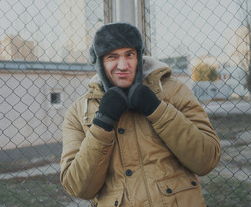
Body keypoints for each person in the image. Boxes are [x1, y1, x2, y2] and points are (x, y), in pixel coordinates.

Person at [60, 22, 221, 207]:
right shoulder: (79, 111)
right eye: (112, 57)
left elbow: (207, 160)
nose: (123, 65)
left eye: (129, 54)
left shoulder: (173, 90)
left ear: (140, 56)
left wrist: (157, 110)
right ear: (99, 62)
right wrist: (102, 122)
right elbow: (78, 187)